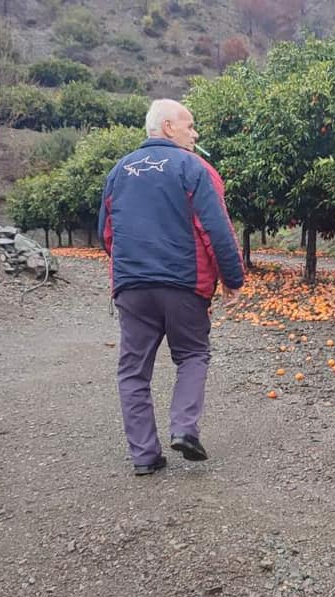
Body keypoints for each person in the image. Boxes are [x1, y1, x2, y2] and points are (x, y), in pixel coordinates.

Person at [98, 98, 245, 476]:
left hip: (132, 286)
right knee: (193, 354)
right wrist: (232, 279)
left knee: (133, 371)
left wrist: (130, 268)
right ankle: (184, 429)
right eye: (190, 125)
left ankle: (145, 456)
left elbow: (107, 233)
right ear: (167, 128)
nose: (195, 133)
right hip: (183, 282)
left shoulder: (119, 171)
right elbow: (217, 228)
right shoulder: (194, 167)